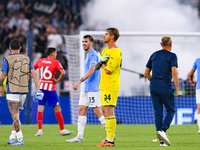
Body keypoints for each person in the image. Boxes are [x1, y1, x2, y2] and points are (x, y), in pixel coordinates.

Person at [66, 35, 106, 142]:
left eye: (86, 41)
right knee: (81, 110)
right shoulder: (88, 55)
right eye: (83, 41)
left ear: (91, 43)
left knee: (97, 111)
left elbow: (92, 70)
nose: (84, 43)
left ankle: (110, 134)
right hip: (86, 88)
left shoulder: (93, 54)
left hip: (93, 88)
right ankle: (79, 136)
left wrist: (79, 81)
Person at [0, 39, 39, 145]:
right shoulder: (27, 59)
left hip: (12, 91)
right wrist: (37, 89)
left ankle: (20, 139)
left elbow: (3, 76)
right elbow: (34, 75)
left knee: (15, 116)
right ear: (20, 48)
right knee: (16, 115)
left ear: (10, 48)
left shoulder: (7, 59)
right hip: (23, 91)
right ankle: (12, 137)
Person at [145, 36, 182, 147]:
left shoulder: (154, 55)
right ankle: (163, 130)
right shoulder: (172, 56)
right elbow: (174, 73)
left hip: (153, 86)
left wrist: (154, 82)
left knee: (158, 113)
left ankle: (161, 141)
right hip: (165, 86)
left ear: (161, 44)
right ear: (171, 44)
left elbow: (146, 72)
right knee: (171, 110)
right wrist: (178, 89)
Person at [33, 47, 74, 136]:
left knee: (40, 108)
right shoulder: (56, 62)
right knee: (57, 108)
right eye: (55, 53)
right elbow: (62, 72)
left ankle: (40, 130)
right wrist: (57, 80)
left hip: (41, 87)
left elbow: (32, 69)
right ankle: (62, 129)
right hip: (50, 88)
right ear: (52, 54)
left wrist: (37, 79)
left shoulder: (40, 61)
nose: (56, 55)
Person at [95, 28, 122, 147]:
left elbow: (108, 71)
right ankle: (108, 138)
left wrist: (103, 63)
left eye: (106, 34)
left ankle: (111, 140)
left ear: (112, 37)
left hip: (111, 84)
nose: (103, 36)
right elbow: (97, 67)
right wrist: (99, 61)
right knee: (105, 111)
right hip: (104, 85)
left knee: (109, 111)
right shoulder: (105, 50)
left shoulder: (116, 52)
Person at [189, 58, 200, 134]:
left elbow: (191, 73)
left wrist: (191, 80)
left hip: (199, 87)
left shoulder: (197, 60)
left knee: (199, 108)